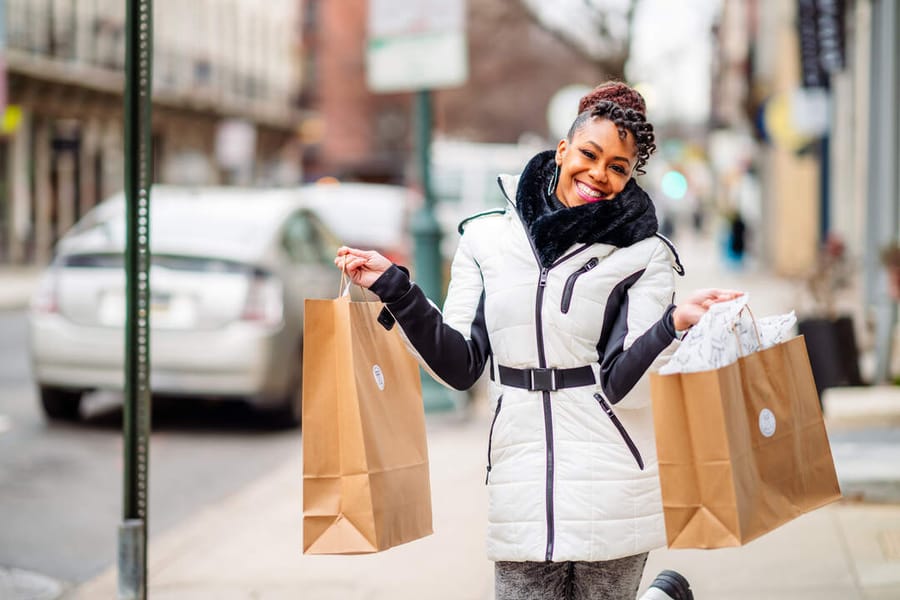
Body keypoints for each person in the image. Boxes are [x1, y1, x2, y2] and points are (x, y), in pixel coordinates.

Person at [336, 81, 741, 600]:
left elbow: (624, 386)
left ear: (629, 175)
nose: (598, 174)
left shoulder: (645, 255)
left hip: (613, 479)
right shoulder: (485, 239)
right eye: (590, 154)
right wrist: (395, 286)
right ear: (563, 150)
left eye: (617, 167)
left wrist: (672, 325)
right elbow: (460, 365)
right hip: (520, 479)